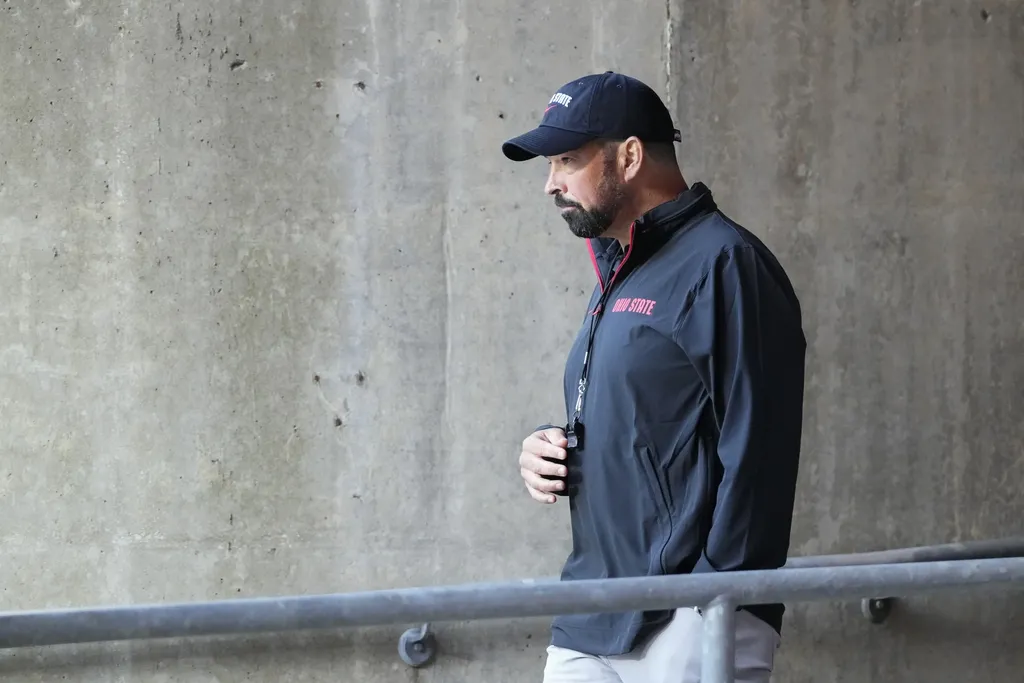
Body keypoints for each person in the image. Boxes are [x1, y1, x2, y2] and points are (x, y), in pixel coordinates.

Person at [501, 71, 807, 683]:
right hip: (590, 611)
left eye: (566, 159)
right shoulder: (621, 269)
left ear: (631, 156)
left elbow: (759, 453)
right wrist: (552, 447)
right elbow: (646, 417)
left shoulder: (726, 264)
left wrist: (716, 606)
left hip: (687, 620)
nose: (550, 184)